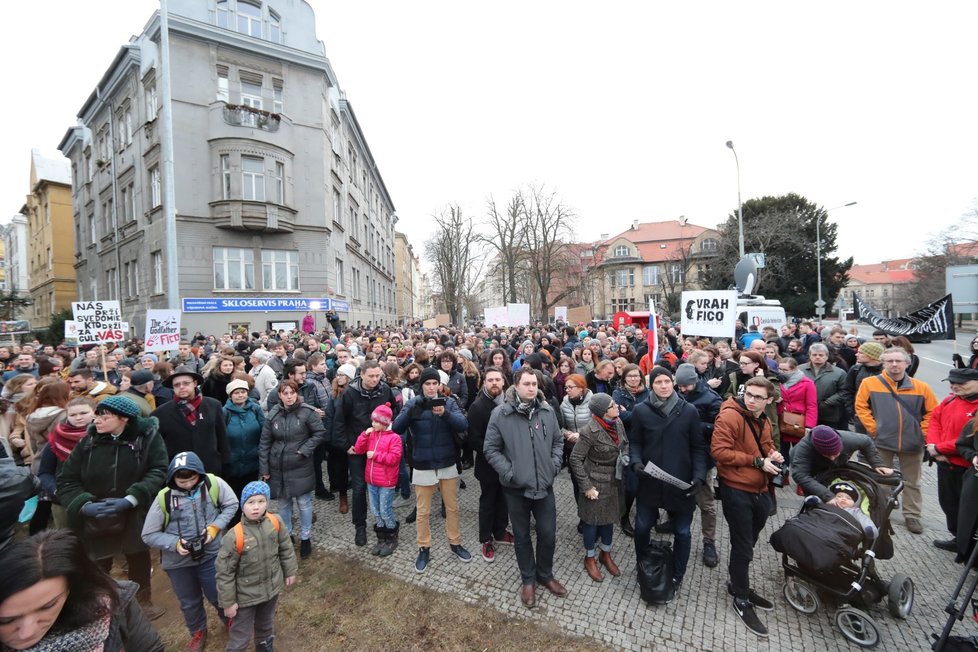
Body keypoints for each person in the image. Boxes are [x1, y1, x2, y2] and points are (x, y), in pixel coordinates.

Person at [56, 394, 169, 621]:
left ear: (124, 419)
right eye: (96, 415)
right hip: (94, 516)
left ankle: (142, 603)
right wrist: (84, 504)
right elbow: (66, 480)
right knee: (97, 563)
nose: (96, 420)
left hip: (132, 512)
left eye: (104, 416)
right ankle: (101, 608)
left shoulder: (147, 438)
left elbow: (158, 470)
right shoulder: (87, 443)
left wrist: (132, 498)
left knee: (137, 555)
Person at [484, 367, 567, 609]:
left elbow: (558, 441)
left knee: (548, 534)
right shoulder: (501, 414)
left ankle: (545, 574)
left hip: (544, 486)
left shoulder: (547, 410)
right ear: (516, 385)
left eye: (535, 384)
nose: (532, 388)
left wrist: (553, 466)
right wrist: (511, 473)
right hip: (516, 489)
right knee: (521, 537)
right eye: (527, 384)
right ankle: (528, 579)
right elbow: (491, 449)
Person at [0, 530, 164, 651]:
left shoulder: (111, 602)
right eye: (6, 621)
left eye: (48, 605)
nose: (27, 633)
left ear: (71, 589)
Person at [141, 451, 238, 651]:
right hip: (178, 563)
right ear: (172, 477)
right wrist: (176, 544)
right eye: (181, 481)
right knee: (189, 601)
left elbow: (232, 504)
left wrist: (215, 527)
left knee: (218, 592)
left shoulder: (214, 484)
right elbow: (148, 534)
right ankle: (198, 631)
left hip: (211, 554)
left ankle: (229, 619)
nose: (188, 485)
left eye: (192, 479)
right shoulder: (163, 498)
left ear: (200, 474)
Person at [711, 376, 784, 637]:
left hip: (761, 489)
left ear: (769, 400)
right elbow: (719, 452)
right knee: (743, 545)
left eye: (757, 397)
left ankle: (736, 580)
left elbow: (764, 444)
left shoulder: (761, 417)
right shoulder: (730, 416)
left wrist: (772, 453)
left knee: (749, 543)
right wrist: (757, 462)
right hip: (737, 489)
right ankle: (741, 597)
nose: (751, 399)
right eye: (748, 394)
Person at [630, 367, 707, 600]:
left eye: (667, 381)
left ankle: (678, 573)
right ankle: (643, 564)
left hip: (681, 482)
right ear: (651, 385)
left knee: (682, 532)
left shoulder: (689, 411)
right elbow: (635, 443)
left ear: (673, 383)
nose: (663, 386)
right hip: (650, 482)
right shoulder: (641, 410)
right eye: (658, 382)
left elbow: (698, 447)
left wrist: (699, 476)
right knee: (642, 527)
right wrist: (635, 462)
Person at [392, 367, 471, 572]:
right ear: (422, 386)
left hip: (447, 463)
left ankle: (455, 543)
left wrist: (445, 414)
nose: (431, 387)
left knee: (452, 508)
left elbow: (463, 424)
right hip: (423, 464)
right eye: (427, 384)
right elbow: (397, 428)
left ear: (440, 385)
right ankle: (424, 547)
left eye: (434, 383)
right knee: (423, 512)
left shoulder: (449, 402)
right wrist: (412, 409)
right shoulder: (413, 403)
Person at [854, 346, 937, 534]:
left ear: (907, 363)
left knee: (912, 482)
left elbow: (933, 412)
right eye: (889, 361)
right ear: (883, 363)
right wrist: (874, 429)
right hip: (882, 440)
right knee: (881, 480)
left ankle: (912, 516)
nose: (894, 364)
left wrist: (922, 433)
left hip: (912, 443)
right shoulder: (870, 383)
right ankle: (880, 511)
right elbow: (860, 407)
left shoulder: (922, 387)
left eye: (898, 361)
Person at [217, 481, 297, 652]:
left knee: (265, 625)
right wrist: (228, 603)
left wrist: (290, 571)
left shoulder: (276, 522)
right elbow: (224, 573)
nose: (256, 507)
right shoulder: (234, 536)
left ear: (267, 503)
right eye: (251, 502)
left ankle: (264, 646)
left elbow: (286, 548)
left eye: (261, 501)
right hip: (246, 597)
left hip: (271, 590)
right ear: (242, 505)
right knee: (241, 636)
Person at [333, 360, 399, 547]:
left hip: (380, 448)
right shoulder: (349, 393)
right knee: (360, 487)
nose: (374, 379)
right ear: (361, 374)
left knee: (380, 486)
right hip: (358, 447)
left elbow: (393, 411)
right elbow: (339, 421)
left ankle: (384, 521)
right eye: (371, 376)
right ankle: (360, 525)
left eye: (378, 376)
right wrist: (346, 445)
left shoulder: (384, 389)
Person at [260, 379, 327, 559]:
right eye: (285, 393)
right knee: (283, 503)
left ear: (297, 393)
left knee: (304, 502)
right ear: (280, 395)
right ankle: (287, 534)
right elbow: (265, 442)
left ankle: (306, 536)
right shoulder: (273, 414)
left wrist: (304, 450)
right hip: (278, 466)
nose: (289, 396)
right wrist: (264, 468)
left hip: (300, 463)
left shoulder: (306, 412)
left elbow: (319, 432)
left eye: (292, 392)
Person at [569, 393, 628, 583]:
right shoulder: (589, 431)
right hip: (595, 481)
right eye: (612, 405)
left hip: (614, 479)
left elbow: (624, 444)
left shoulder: (617, 422)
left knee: (609, 519)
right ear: (603, 411)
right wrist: (586, 486)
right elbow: (575, 459)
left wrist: (626, 456)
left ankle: (606, 553)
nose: (616, 406)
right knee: (591, 522)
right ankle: (590, 557)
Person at [674, 363, 722, 568]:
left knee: (706, 502)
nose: (682, 390)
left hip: (703, 457)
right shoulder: (676, 394)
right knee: (675, 492)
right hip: (678, 455)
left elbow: (719, 428)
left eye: (686, 386)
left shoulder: (712, 399)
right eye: (680, 386)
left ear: (694, 382)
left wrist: (692, 424)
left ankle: (709, 541)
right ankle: (673, 520)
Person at [926, 368, 978, 552]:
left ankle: (970, 545)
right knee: (948, 503)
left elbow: (968, 440)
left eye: (961, 383)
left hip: (967, 468)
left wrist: (940, 448)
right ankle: (958, 538)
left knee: (969, 511)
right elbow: (934, 421)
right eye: (952, 382)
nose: (955, 386)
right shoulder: (949, 400)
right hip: (945, 463)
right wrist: (933, 447)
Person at [466, 367, 514, 563]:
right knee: (488, 502)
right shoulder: (477, 407)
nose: (494, 383)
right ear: (484, 383)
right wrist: (495, 452)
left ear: (503, 382)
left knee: (504, 499)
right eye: (490, 380)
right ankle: (486, 538)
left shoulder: (510, 402)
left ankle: (500, 531)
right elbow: (474, 439)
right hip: (488, 465)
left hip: (509, 463)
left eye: (497, 380)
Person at [153, 365, 230, 475]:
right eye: (177, 385)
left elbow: (222, 439)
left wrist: (225, 465)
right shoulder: (160, 414)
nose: (181, 387)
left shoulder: (213, 405)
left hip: (211, 470)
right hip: (180, 475)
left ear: (194, 383)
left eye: (186, 383)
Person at [789, 425, 891, 503]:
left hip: (835, 468)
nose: (832, 458)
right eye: (828, 455)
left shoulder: (848, 439)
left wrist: (878, 463)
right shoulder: (803, 451)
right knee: (816, 497)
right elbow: (801, 475)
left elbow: (867, 442)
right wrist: (828, 496)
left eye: (835, 454)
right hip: (812, 471)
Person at [36, 397, 94, 530]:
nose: (78, 418)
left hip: (99, 499)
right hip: (64, 501)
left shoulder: (106, 435)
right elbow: (44, 473)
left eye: (83, 413)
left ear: (94, 412)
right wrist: (57, 491)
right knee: (69, 542)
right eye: (73, 415)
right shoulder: (56, 439)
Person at [354, 404, 403, 557]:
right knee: (375, 511)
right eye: (373, 421)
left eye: (376, 421)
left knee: (385, 511)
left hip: (386, 482)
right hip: (371, 480)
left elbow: (394, 459)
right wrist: (364, 435)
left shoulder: (394, 438)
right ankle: (381, 538)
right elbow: (358, 449)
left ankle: (391, 538)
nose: (373, 424)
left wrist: (375, 455)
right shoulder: (372, 434)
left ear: (385, 422)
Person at [775, 356, 817, 480]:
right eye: (780, 369)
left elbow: (812, 405)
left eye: (785, 370)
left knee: (800, 454)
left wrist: (809, 426)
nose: (781, 372)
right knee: (782, 452)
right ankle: (783, 475)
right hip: (781, 420)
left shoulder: (807, 383)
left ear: (793, 369)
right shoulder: (777, 381)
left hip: (798, 422)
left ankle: (801, 480)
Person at [798, 343, 848, 431]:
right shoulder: (799, 370)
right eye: (814, 355)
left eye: (821, 355)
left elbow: (844, 391)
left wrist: (827, 403)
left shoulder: (839, 373)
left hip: (828, 414)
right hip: (804, 413)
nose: (817, 357)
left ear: (826, 356)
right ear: (810, 356)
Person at [841, 342, 885, 433]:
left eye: (861, 353)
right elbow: (847, 391)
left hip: (883, 417)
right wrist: (852, 411)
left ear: (872, 355)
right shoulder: (856, 369)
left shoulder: (887, 372)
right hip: (860, 416)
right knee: (864, 443)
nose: (856, 354)